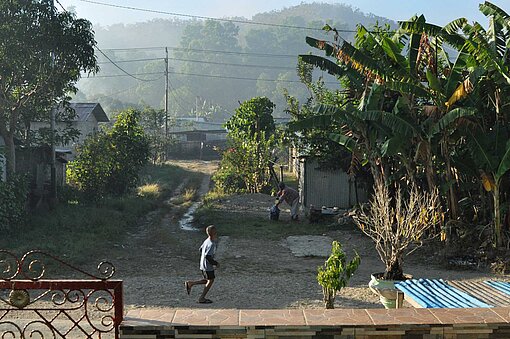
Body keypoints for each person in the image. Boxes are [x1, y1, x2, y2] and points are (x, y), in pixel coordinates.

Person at [184, 225, 219, 303]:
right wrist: (216, 263)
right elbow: (208, 257)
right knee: (211, 280)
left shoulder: (206, 240)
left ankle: (191, 283)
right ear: (214, 233)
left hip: (202, 264)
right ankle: (202, 298)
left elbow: (200, 249)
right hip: (207, 266)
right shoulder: (212, 244)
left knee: (207, 279)